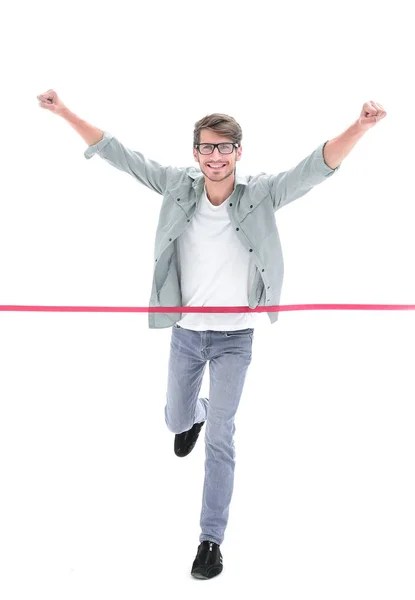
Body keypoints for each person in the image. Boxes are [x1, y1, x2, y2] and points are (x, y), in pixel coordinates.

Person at [37, 90, 387, 579]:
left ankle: (210, 540)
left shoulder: (260, 193)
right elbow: (120, 154)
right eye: (207, 147)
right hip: (186, 333)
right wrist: (62, 111)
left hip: (233, 339)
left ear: (238, 152)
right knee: (176, 419)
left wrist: (361, 127)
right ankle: (193, 415)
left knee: (222, 437)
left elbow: (313, 168)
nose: (216, 156)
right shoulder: (176, 186)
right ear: (196, 153)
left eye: (225, 148)